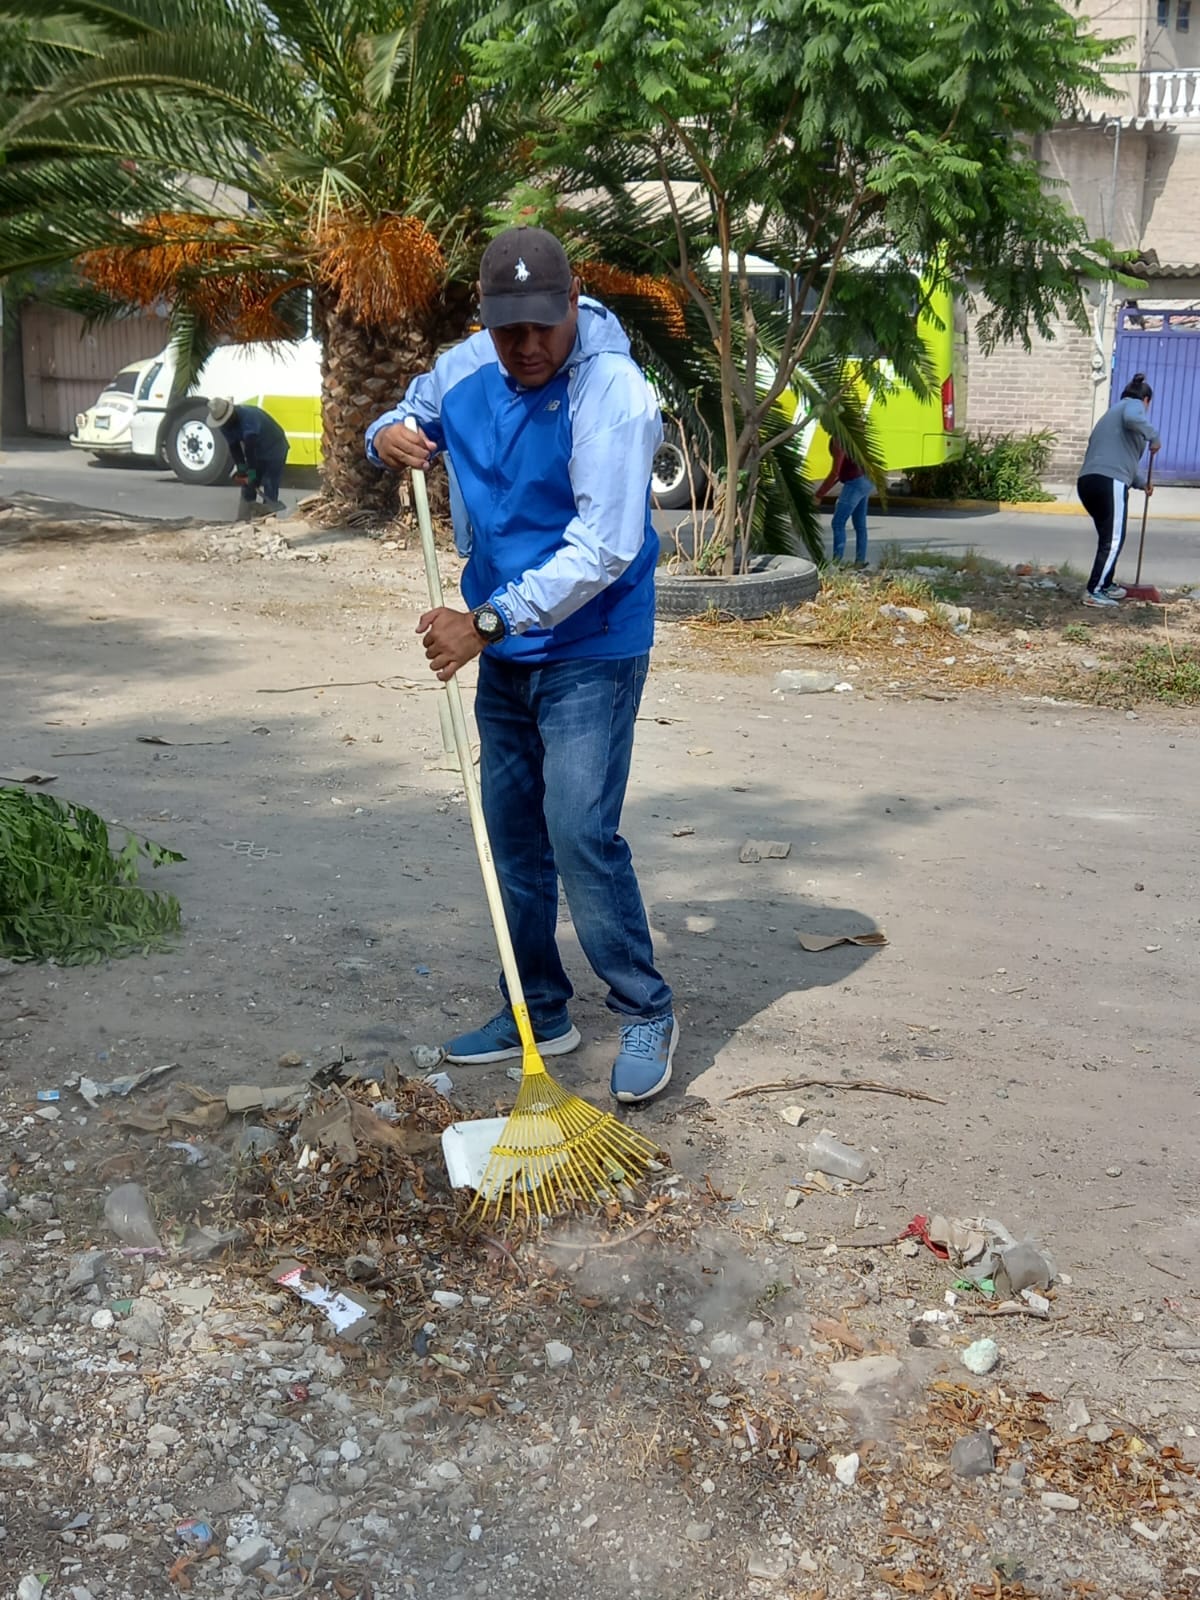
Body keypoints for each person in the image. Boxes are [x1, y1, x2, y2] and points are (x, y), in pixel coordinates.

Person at [365, 225, 677, 1104]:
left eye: (545, 325)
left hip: (589, 645)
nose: (529, 347)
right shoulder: (467, 366)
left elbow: (604, 547)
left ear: (574, 305)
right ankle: (538, 1010)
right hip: (502, 647)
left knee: (579, 830)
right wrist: (385, 433)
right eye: (511, 331)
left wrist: (484, 622)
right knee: (513, 839)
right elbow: (402, 415)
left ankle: (646, 1006)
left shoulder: (612, 392)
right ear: (488, 319)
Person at [1076, 373, 1161, 608]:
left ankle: (1106, 584)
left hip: (1089, 481)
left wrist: (1142, 483)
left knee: (1109, 537)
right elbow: (1133, 417)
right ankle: (1093, 591)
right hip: (1109, 480)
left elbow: (1122, 459)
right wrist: (1153, 436)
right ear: (1145, 399)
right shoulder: (1132, 407)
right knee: (1113, 539)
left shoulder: (1110, 416)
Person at [205, 397, 289, 520]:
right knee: (248, 485)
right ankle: (243, 518)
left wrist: (252, 473)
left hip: (274, 448)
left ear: (231, 413)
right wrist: (242, 469)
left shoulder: (248, 417)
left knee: (269, 482)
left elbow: (250, 450)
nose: (225, 424)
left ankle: (269, 518)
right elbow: (234, 448)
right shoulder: (224, 425)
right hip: (257, 449)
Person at [814, 440, 872, 567]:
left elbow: (835, 471)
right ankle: (860, 561)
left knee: (838, 523)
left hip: (854, 483)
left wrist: (819, 495)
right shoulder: (847, 434)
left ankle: (836, 563)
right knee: (860, 526)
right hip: (866, 480)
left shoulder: (838, 441)